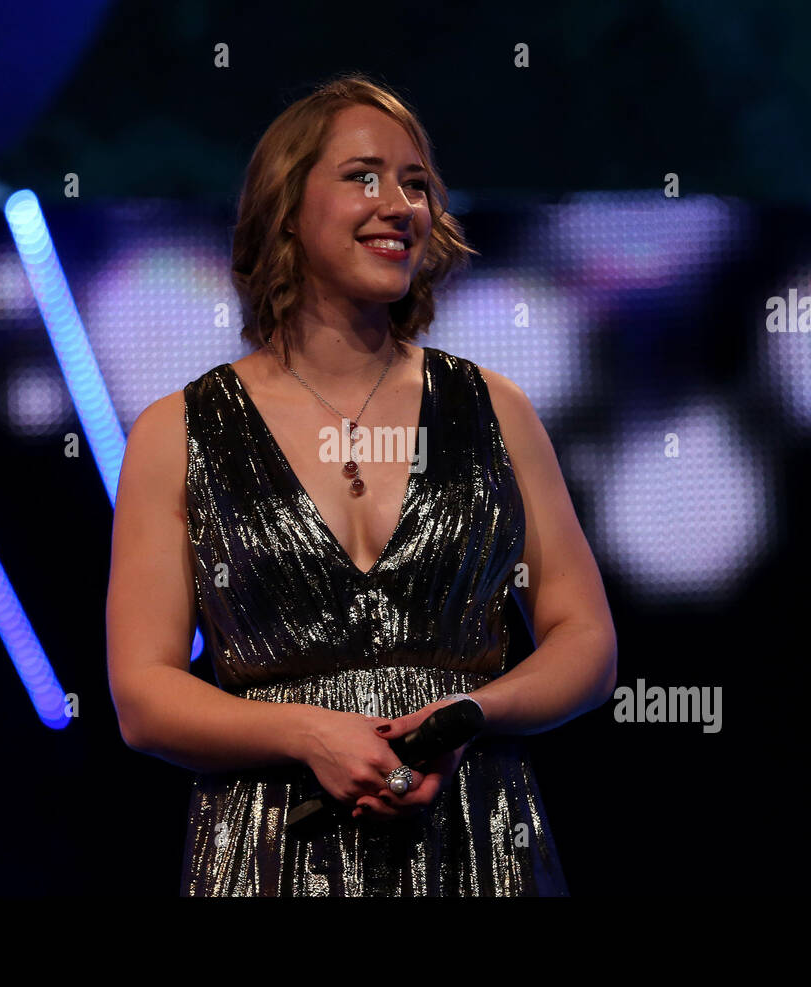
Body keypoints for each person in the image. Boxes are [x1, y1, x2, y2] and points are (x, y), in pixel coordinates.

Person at [106, 72, 616, 896]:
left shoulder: (496, 408)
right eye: (364, 177)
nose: (401, 204)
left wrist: (470, 716)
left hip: (476, 836)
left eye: (416, 184)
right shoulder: (178, 431)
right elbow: (143, 694)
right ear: (286, 204)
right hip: (272, 852)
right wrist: (309, 733)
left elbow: (586, 642)